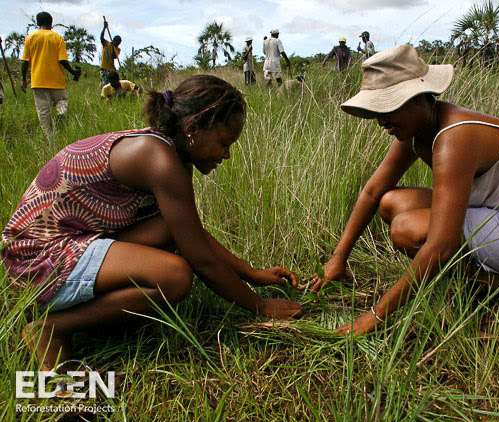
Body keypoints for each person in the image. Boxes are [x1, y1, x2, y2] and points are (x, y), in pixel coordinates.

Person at [3, 74, 302, 370]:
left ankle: (88, 316)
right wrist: (260, 306)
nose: (227, 155)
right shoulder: (158, 159)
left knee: (167, 230)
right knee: (174, 276)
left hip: (72, 242)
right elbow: (202, 261)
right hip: (37, 258)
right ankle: (52, 327)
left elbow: (190, 236)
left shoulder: (171, 154)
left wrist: (252, 273)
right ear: (192, 128)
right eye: (224, 142)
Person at [304, 45, 499, 335]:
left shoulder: (455, 136)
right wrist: (338, 258)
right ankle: (486, 282)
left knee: (407, 229)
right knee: (389, 203)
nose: (381, 121)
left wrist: (374, 316)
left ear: (419, 99)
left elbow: (441, 244)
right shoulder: (417, 131)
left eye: (388, 108)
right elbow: (373, 192)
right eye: (377, 111)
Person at [21, 11, 81, 138]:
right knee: (62, 102)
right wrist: (73, 72)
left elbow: (25, 62)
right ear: (51, 23)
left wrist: (24, 80)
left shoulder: (30, 38)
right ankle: (60, 118)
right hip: (57, 81)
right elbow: (62, 60)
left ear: (38, 23)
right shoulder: (57, 38)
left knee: (43, 111)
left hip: (38, 81)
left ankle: (50, 138)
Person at [99, 20, 121, 87]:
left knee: (112, 85)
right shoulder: (106, 44)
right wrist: (104, 28)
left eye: (119, 43)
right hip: (104, 68)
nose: (118, 44)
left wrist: (114, 47)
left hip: (112, 69)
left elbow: (114, 56)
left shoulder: (117, 49)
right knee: (105, 84)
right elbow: (101, 38)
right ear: (114, 41)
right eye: (117, 43)